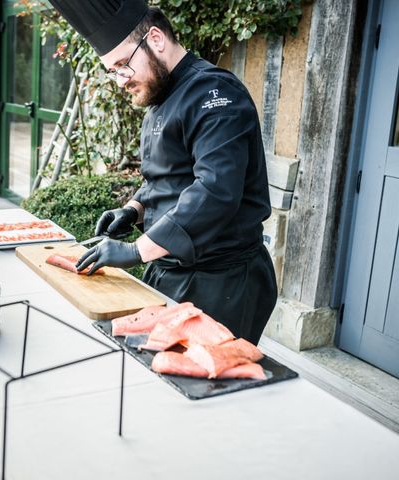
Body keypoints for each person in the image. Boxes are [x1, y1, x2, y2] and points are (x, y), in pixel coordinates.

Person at [49, 0, 277, 344]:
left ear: (155, 39)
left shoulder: (216, 94)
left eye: (123, 65)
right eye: (113, 71)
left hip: (223, 281)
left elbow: (214, 192)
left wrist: (135, 251)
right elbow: (169, 176)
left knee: (206, 388)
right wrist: (134, 209)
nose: (120, 80)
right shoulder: (162, 95)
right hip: (173, 270)